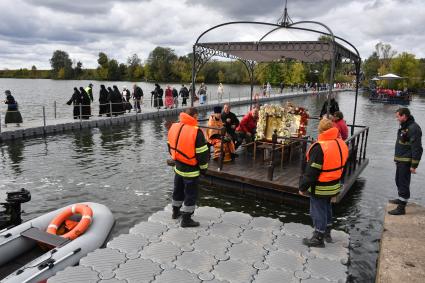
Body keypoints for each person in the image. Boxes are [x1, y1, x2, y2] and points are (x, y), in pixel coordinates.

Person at [299, 118, 349, 247]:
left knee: (318, 210)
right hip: (335, 184)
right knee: (327, 207)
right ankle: (327, 232)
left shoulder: (320, 147)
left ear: (320, 130)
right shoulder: (341, 143)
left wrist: (302, 187)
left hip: (321, 186)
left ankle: (318, 237)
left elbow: (311, 172)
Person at [167, 107, 209, 227]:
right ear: (195, 116)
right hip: (191, 169)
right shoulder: (196, 131)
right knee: (191, 194)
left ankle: (175, 212)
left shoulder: (174, 126)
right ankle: (186, 219)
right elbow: (202, 154)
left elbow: (169, 146)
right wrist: (203, 168)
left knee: (177, 190)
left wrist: (176, 158)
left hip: (178, 166)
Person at [388, 108, 423, 215]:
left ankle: (401, 208)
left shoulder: (413, 128)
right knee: (398, 180)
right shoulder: (405, 126)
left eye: (398, 116)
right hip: (400, 159)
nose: (397, 119)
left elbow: (417, 148)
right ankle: (401, 199)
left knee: (403, 182)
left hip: (406, 160)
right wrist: (396, 159)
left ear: (404, 116)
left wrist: (414, 165)